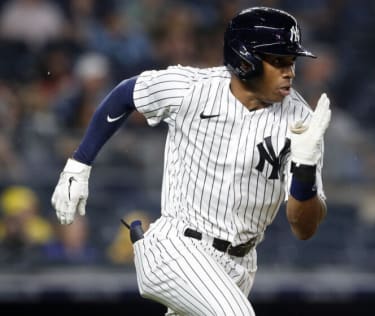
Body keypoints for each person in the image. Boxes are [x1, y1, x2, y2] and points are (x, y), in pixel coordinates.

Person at [51, 6, 331, 315]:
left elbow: (303, 227)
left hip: (239, 266)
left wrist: (304, 169)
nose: (289, 71)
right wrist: (79, 164)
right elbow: (126, 93)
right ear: (244, 60)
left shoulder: (301, 121)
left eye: (291, 61)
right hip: (177, 247)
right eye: (278, 61)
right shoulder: (193, 88)